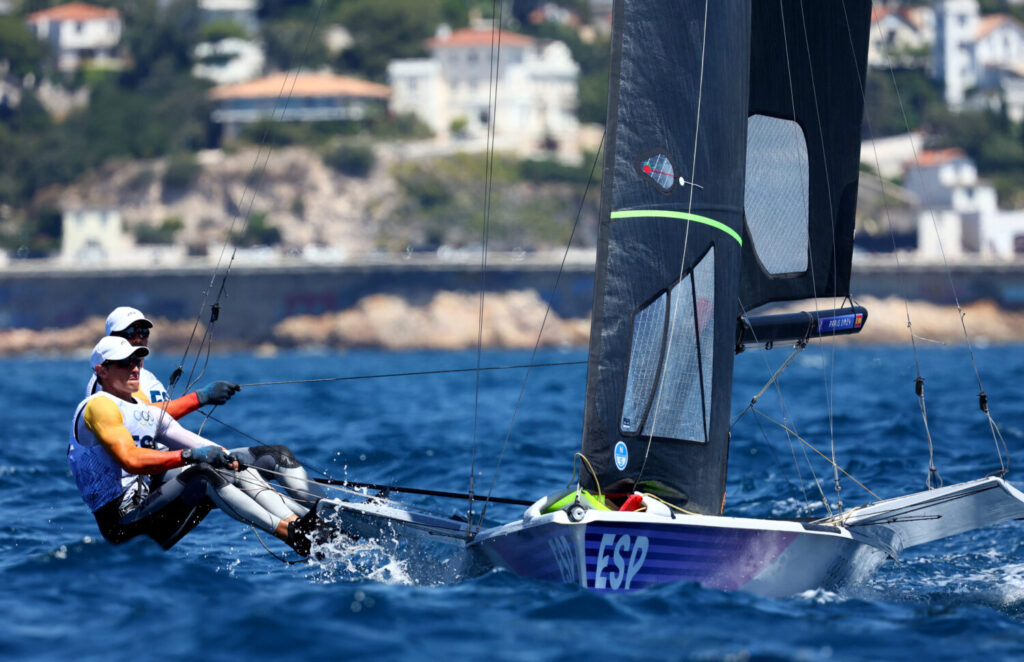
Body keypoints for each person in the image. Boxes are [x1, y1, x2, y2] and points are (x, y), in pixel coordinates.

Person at [69, 336, 328, 557]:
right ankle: (292, 534)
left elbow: (185, 438)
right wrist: (191, 456)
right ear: (102, 371)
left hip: (151, 508)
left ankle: (310, 522)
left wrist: (225, 458)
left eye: (137, 362)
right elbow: (131, 460)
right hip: (124, 526)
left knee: (235, 462)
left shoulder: (143, 411)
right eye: (125, 363)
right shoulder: (99, 406)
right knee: (203, 473)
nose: (135, 369)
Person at [85, 306, 240, 420]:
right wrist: (201, 397)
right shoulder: (107, 377)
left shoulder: (147, 377)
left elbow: (167, 428)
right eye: (130, 333)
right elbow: (143, 415)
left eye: (143, 332)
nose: (138, 338)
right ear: (111, 337)